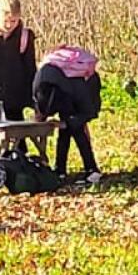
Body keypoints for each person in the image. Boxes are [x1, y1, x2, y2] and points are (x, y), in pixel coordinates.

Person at [33, 45, 104, 186]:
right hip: (75, 94)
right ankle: (61, 170)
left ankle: (91, 170)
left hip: (80, 98)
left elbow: (88, 111)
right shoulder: (58, 77)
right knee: (67, 129)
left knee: (75, 128)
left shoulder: (54, 81)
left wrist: (43, 117)